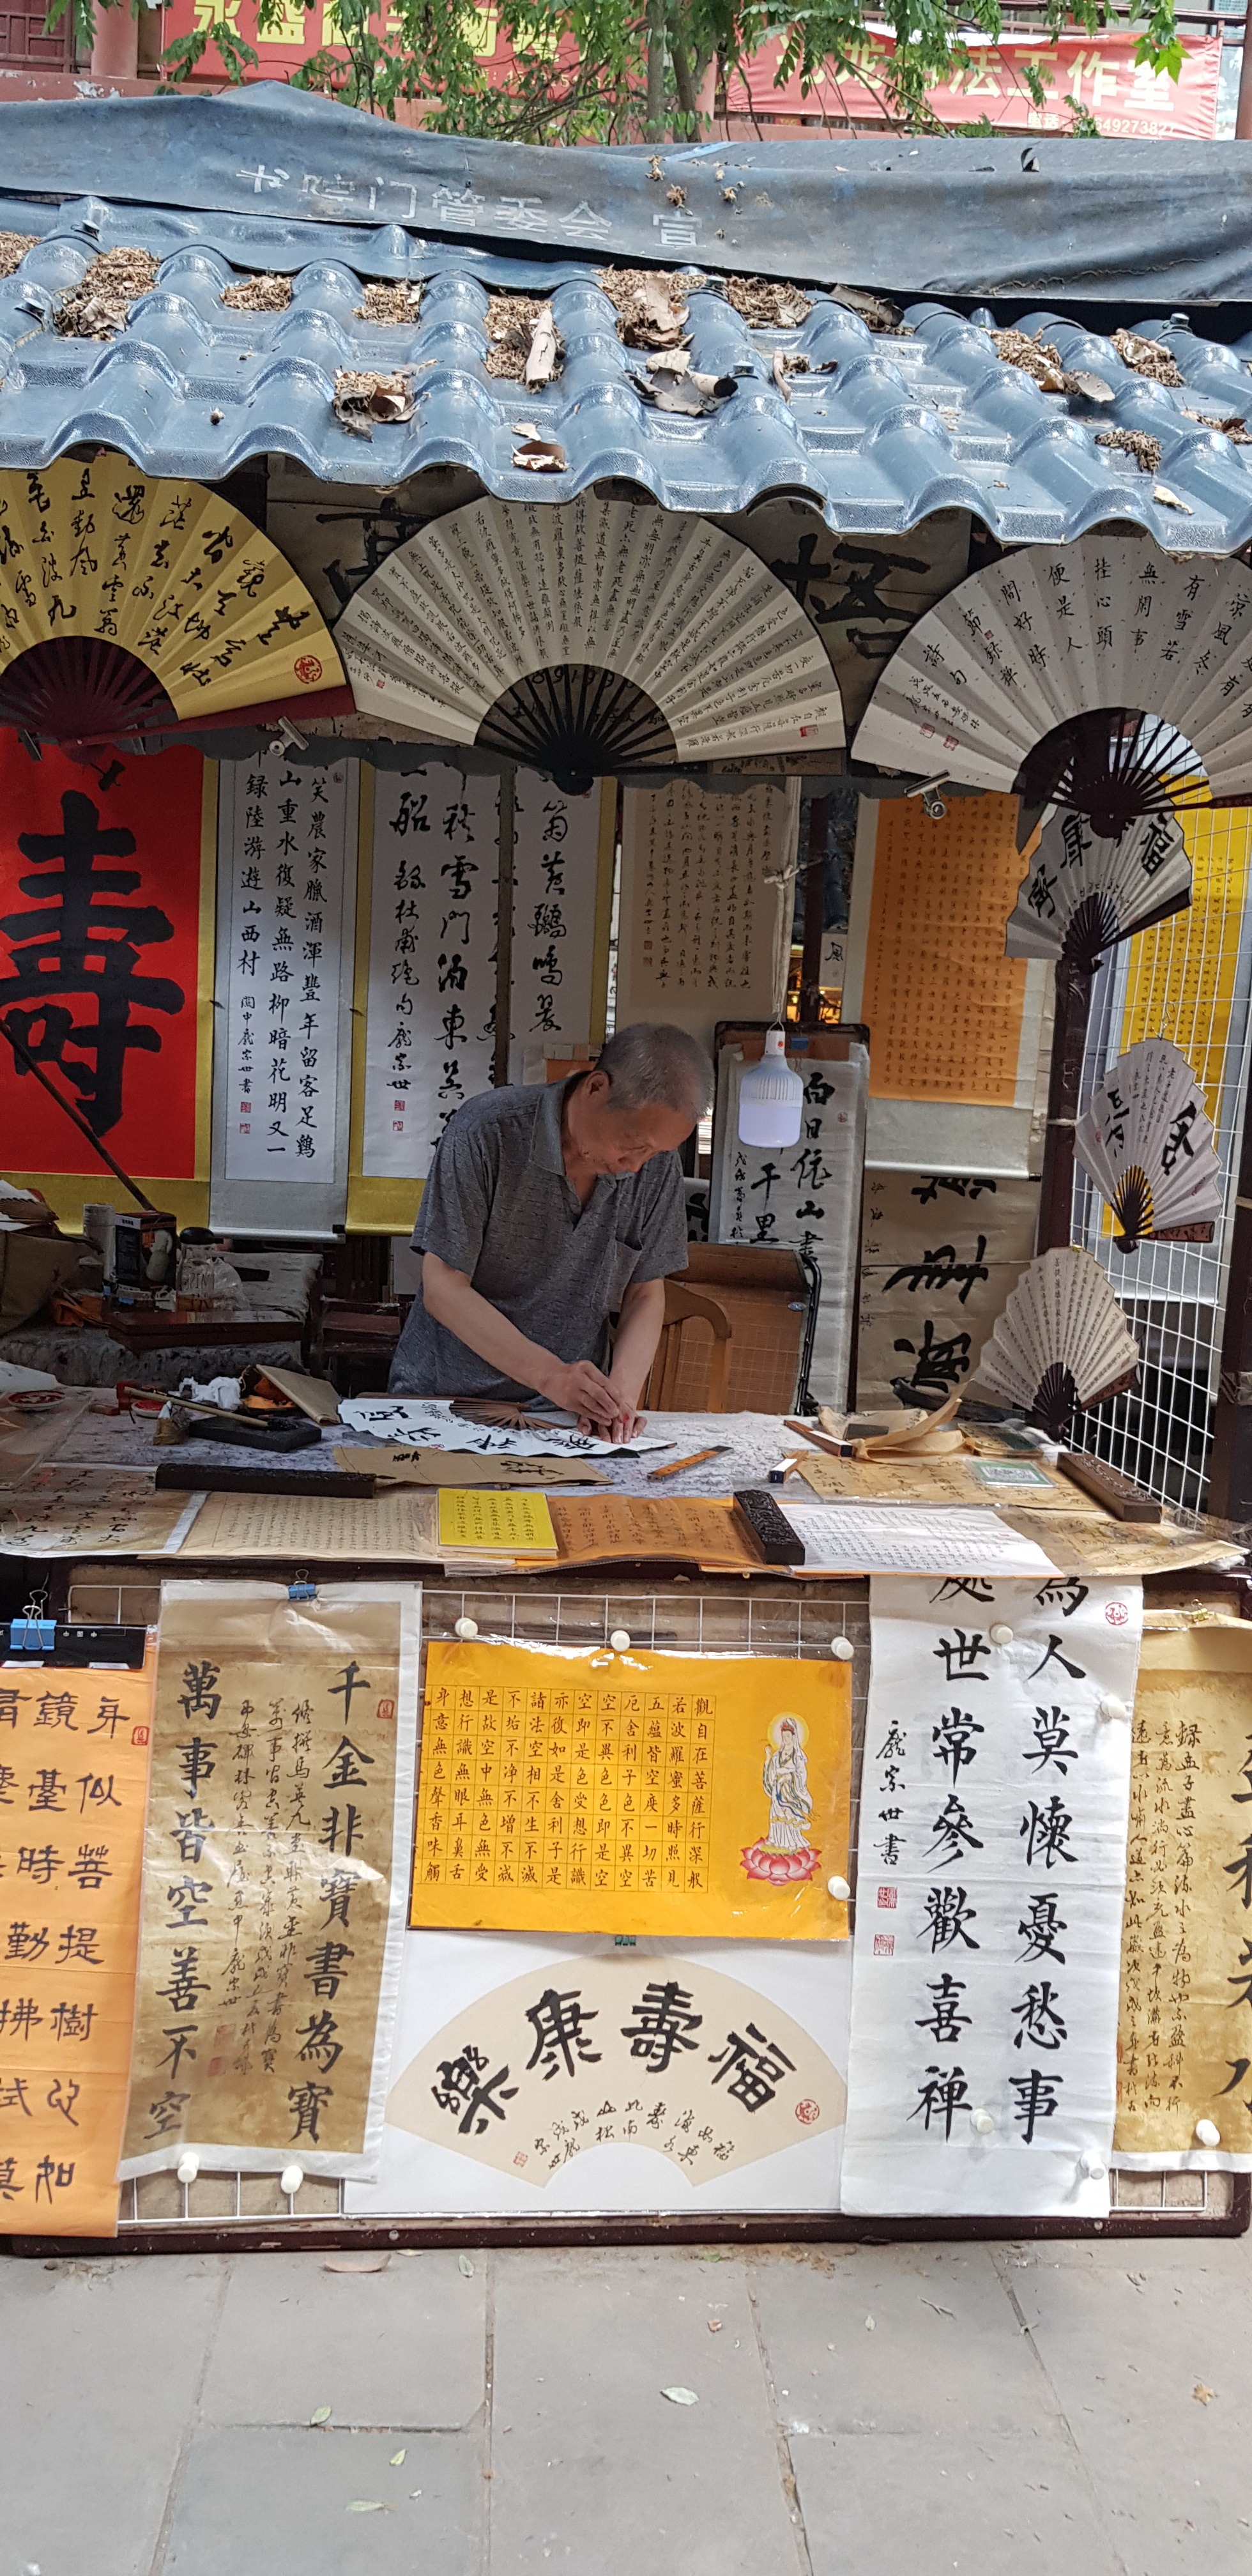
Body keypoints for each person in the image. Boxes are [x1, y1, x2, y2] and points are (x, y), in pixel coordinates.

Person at [388, 1022, 714, 1440]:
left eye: (654, 1152)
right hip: (447, 1399)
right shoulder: (487, 1131)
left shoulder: (655, 1168)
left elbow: (645, 1292)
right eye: (633, 1143)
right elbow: (444, 1286)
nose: (636, 1165)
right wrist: (551, 1376)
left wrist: (618, 1401)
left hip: (564, 1416)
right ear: (596, 1088)